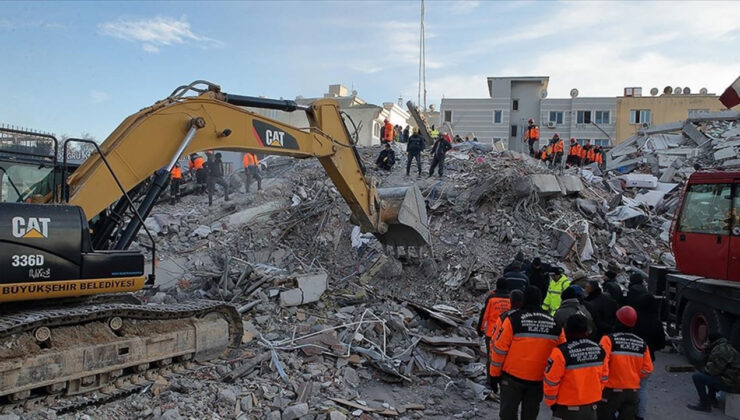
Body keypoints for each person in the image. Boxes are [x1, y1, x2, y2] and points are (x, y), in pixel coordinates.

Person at [490, 286, 565, 420]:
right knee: (530, 415)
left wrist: (494, 375)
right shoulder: (555, 323)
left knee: (507, 414)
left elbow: (499, 350)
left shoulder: (513, 319)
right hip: (538, 381)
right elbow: (562, 355)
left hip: (512, 378)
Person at [544, 314, 607, 420]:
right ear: (587, 331)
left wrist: (552, 403)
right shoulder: (600, 350)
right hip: (591, 407)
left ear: (567, 330)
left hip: (567, 408)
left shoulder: (561, 352)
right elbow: (604, 377)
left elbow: (551, 381)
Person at [598, 306, 654, 420]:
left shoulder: (608, 340)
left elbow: (601, 364)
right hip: (632, 392)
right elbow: (647, 369)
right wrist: (633, 376)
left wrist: (603, 381)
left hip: (611, 390)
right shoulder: (641, 343)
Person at [632, 294, 666, 419]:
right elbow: (661, 343)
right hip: (648, 359)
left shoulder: (635, 318)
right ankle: (640, 415)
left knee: (627, 387)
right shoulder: (656, 322)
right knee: (642, 388)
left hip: (631, 358)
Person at [687, 333, 740, 412]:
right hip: (733, 380)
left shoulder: (721, 350)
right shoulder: (725, 347)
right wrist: (706, 351)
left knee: (697, 377)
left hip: (733, 384)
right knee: (709, 375)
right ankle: (712, 399)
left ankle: (704, 405)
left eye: (707, 341)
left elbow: (712, 370)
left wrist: (704, 353)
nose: (706, 342)